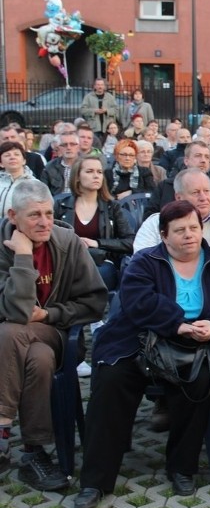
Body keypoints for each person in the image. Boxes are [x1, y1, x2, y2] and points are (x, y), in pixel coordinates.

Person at [73, 201, 210, 508]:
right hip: (138, 340)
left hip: (194, 343)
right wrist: (177, 323)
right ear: (164, 235)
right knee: (111, 379)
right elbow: (138, 302)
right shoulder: (144, 261)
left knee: (201, 380)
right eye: (180, 231)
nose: (189, 235)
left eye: (194, 228)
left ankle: (181, 467)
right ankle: (95, 481)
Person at [0, 179, 108, 490]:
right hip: (17, 345)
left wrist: (49, 315)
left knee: (12, 333)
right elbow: (19, 312)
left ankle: (3, 428)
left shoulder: (67, 242)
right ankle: (35, 453)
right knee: (37, 357)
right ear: (12, 216)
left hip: (60, 337)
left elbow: (96, 302)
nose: (45, 222)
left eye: (48, 213)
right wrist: (22, 258)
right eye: (34, 215)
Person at [54, 156, 134, 290]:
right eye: (90, 171)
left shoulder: (112, 207)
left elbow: (130, 241)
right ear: (77, 176)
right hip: (67, 260)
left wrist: (97, 243)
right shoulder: (61, 205)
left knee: (98, 274)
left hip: (101, 261)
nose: (96, 176)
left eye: (99, 172)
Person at [0, 141, 35, 214]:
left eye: (16, 154)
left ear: (24, 161)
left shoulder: (34, 184)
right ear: (1, 163)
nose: (12, 157)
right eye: (7, 155)